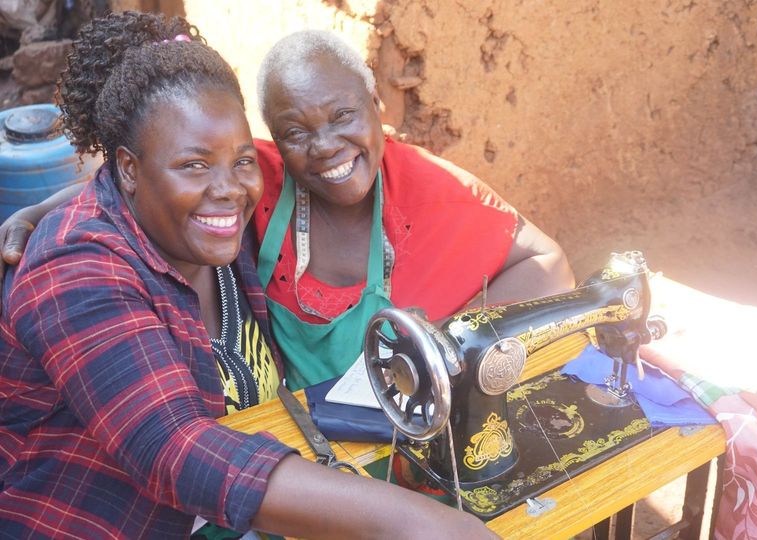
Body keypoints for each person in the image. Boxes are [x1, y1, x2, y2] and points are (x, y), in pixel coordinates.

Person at [0, 12, 496, 540]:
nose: (229, 188)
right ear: (127, 168)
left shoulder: (228, 235)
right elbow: (174, 450)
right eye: (194, 165)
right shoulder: (75, 270)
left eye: (241, 161)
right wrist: (420, 526)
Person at [0, 29, 575, 392]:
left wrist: (446, 349)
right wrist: (39, 211)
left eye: (344, 116)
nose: (324, 146)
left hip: (402, 422)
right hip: (296, 439)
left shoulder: (429, 190)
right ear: (272, 138)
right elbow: (149, 179)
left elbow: (548, 261)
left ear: (377, 107)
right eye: (296, 131)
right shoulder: (261, 178)